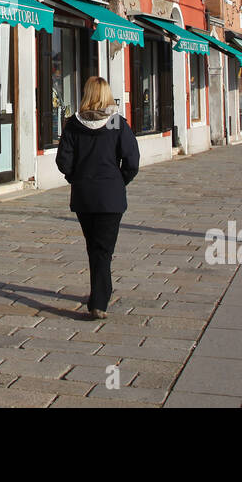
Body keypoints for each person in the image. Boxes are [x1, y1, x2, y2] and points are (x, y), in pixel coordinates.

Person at [55, 76, 139, 320]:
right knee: (103, 249)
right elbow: (132, 161)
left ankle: (100, 292)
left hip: (84, 195)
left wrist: (76, 178)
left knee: (95, 246)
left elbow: (63, 162)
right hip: (110, 196)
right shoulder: (116, 123)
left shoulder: (73, 124)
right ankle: (99, 301)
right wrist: (118, 181)